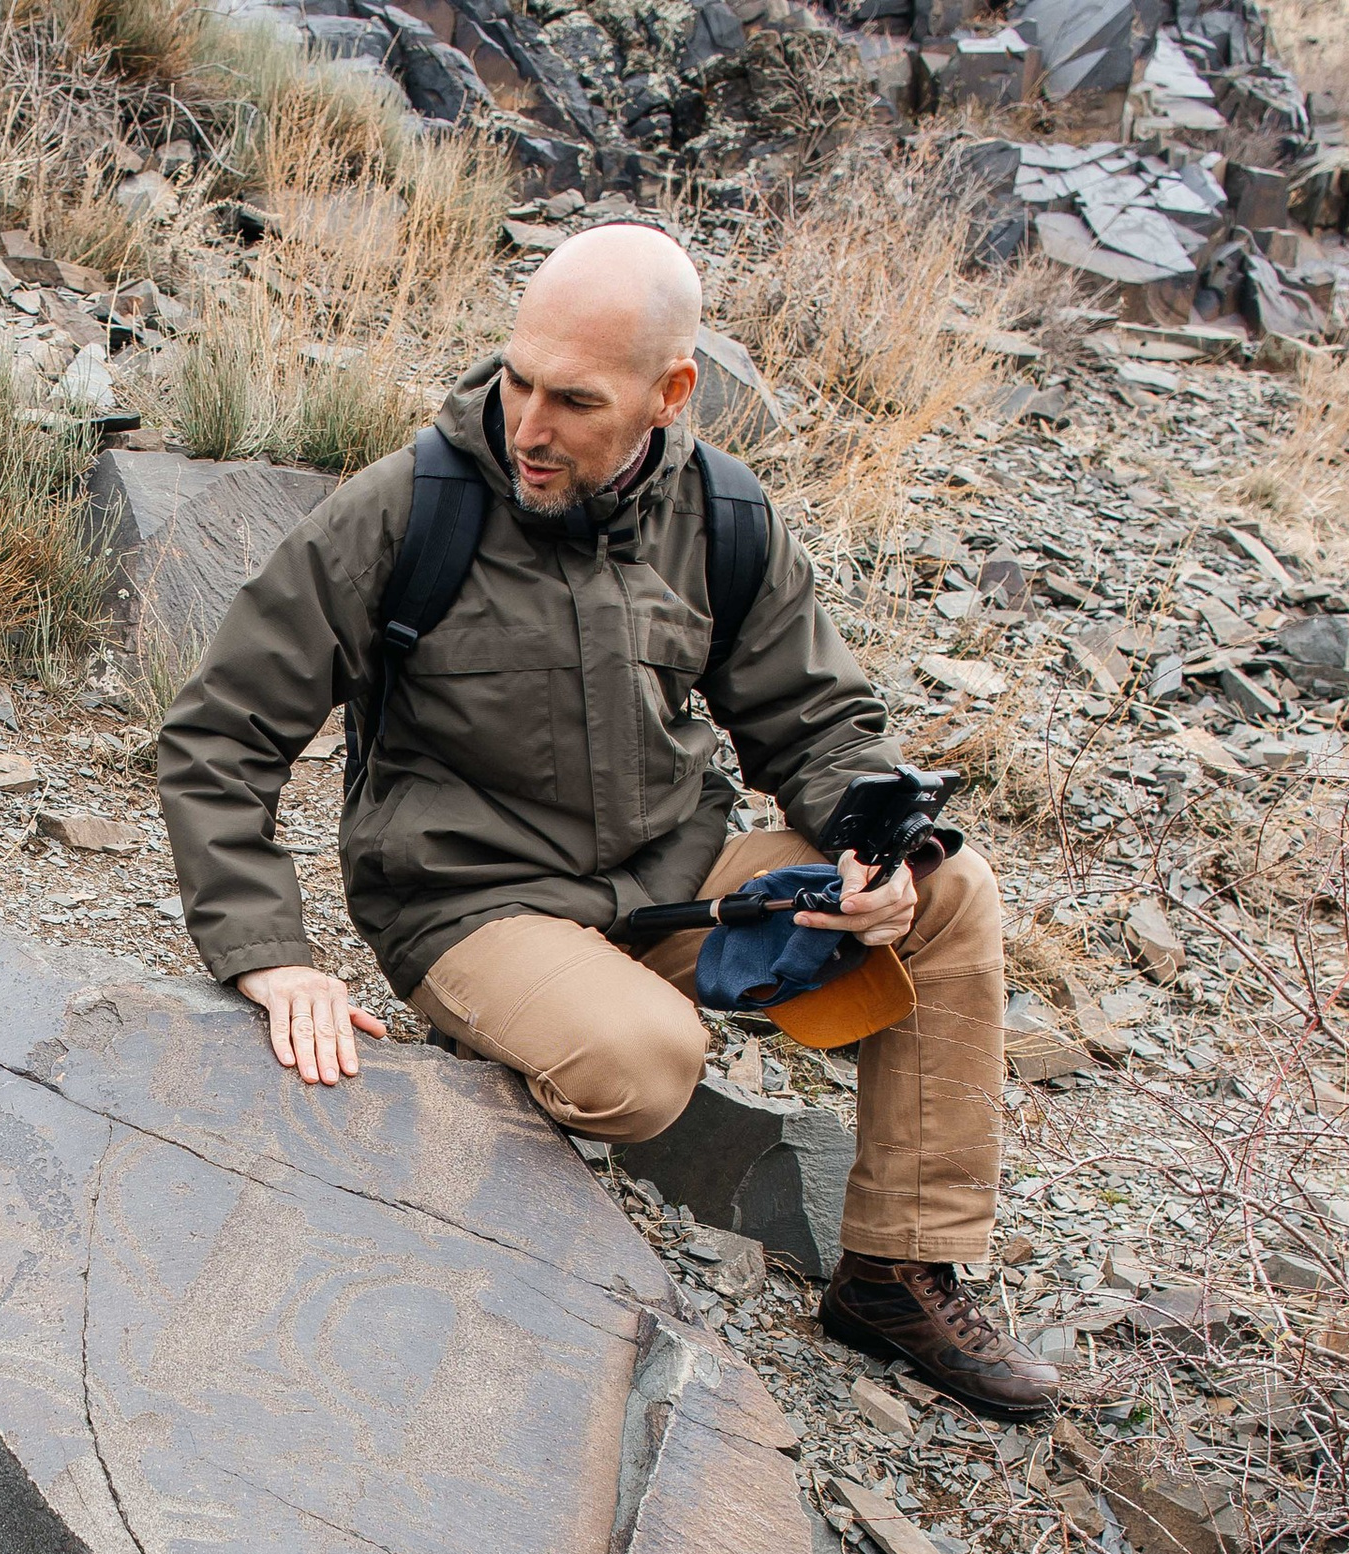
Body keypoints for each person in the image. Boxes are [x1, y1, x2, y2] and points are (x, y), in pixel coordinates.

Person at [158, 221, 1057, 1420]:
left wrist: (872, 852)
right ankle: (517, 1094)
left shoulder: (722, 517)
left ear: (668, 392)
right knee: (643, 1064)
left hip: (673, 877)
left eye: (573, 401)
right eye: (517, 380)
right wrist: (270, 955)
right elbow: (220, 733)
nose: (527, 427)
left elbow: (816, 721)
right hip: (470, 901)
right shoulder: (404, 512)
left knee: (950, 892)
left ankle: (897, 1272)